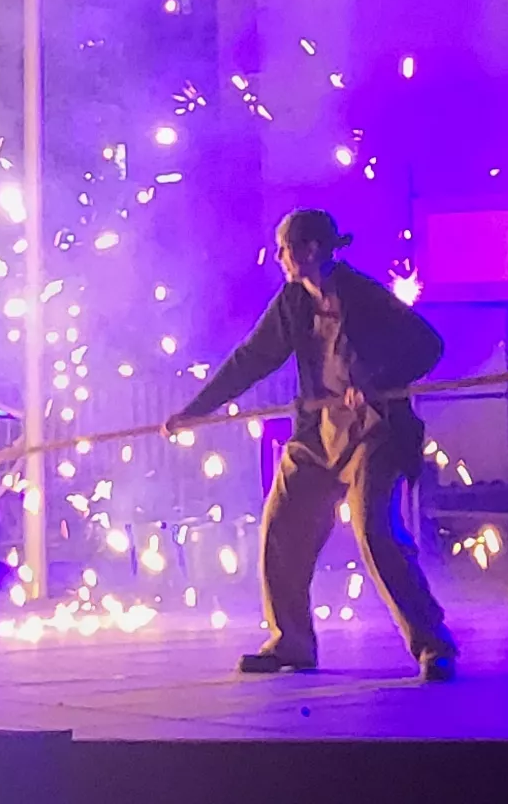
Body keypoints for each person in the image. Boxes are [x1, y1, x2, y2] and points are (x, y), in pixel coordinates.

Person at [169, 208, 457, 681]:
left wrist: (377, 381)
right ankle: (291, 642)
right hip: (317, 434)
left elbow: (429, 346)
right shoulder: (293, 303)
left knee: (375, 532)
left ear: (311, 250)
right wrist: (197, 410)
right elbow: (251, 359)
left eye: (284, 248)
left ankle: (433, 644)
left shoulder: (364, 296)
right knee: (281, 528)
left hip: (373, 433)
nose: (278, 257)